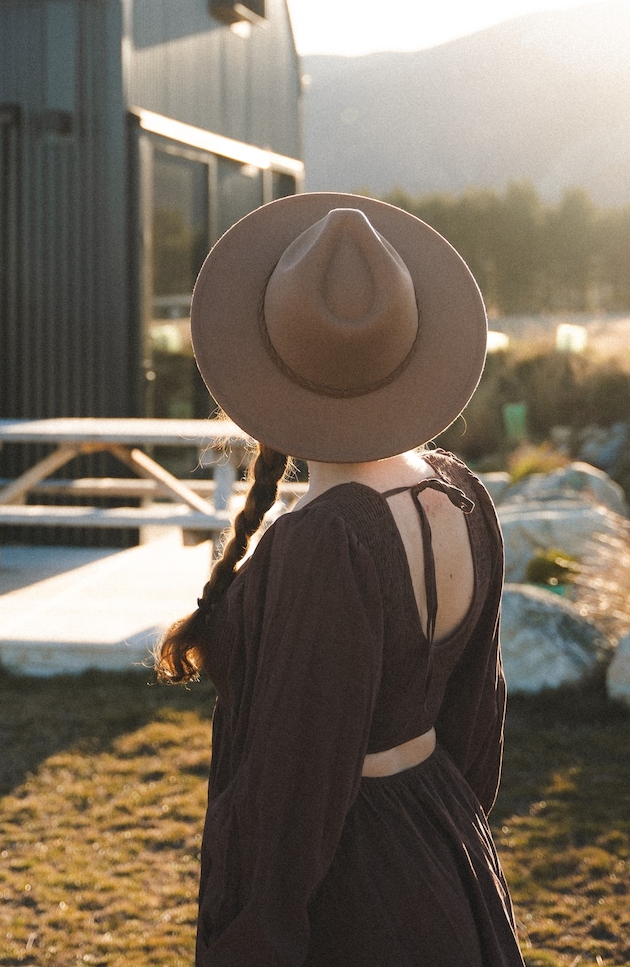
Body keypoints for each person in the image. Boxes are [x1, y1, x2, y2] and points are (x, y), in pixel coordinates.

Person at [155, 194, 524, 967]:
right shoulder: (460, 491)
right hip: (444, 842)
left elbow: (296, 775)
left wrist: (252, 936)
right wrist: (446, 832)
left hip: (353, 888)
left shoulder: (327, 541)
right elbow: (474, 720)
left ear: (274, 358)